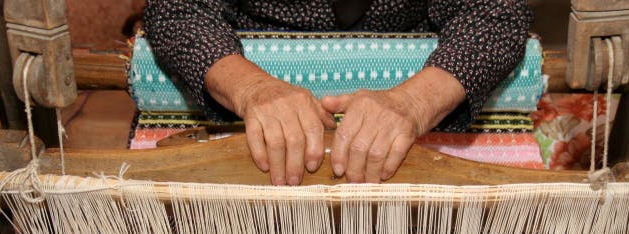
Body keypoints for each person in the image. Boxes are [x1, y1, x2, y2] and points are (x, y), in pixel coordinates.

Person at [144, 1, 532, 185]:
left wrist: (412, 103)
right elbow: (178, 11)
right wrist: (252, 89)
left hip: (411, 75)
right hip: (239, 86)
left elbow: (496, 13)